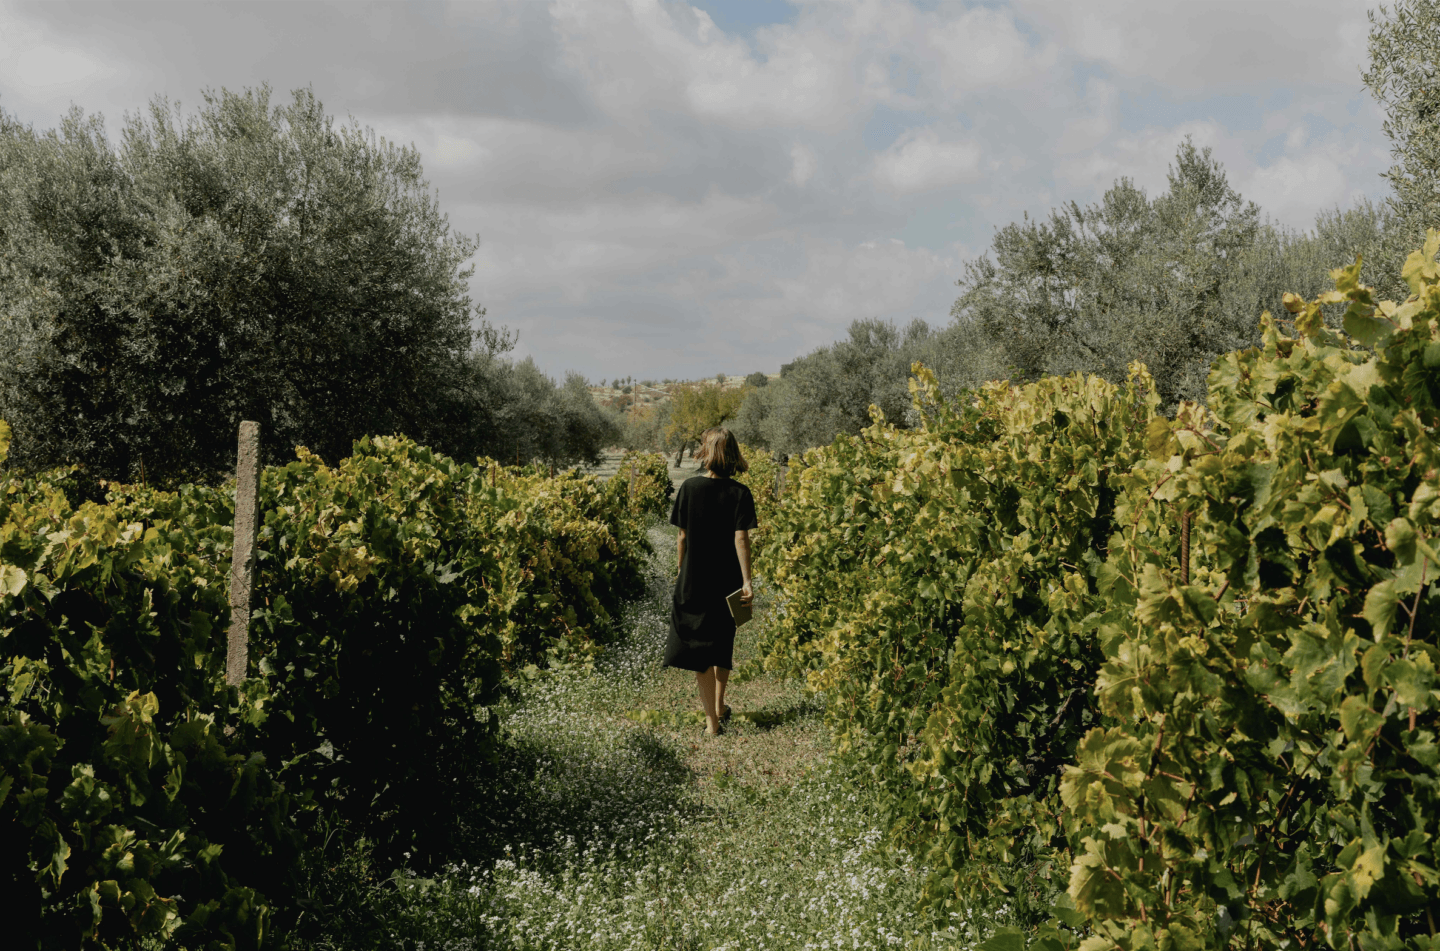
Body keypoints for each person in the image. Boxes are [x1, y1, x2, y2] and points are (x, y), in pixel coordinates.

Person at [665, 427, 757, 736]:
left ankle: (712, 722)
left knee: (699, 649)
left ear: (706, 453)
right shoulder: (741, 493)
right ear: (733, 455)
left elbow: (681, 537)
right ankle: (719, 705)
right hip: (727, 579)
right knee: (722, 643)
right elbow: (741, 540)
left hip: (694, 579)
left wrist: (681, 572)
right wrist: (747, 581)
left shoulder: (689, 488)